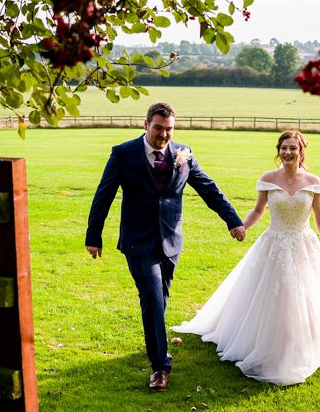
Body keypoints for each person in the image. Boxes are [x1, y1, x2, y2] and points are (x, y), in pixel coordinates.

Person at [173, 130, 320, 386]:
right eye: (284, 148)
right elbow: (258, 210)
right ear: (278, 150)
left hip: (304, 245)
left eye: (293, 148)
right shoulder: (268, 179)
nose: (288, 152)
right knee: (273, 293)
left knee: (304, 294)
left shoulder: (313, 182)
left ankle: (302, 342)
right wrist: (242, 227)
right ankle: (267, 341)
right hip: (274, 243)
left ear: (301, 150)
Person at [86, 102, 246, 392]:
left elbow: (209, 188)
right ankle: (160, 367)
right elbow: (103, 194)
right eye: (158, 128)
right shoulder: (123, 154)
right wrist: (93, 235)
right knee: (151, 296)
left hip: (171, 240)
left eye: (169, 129)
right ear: (145, 124)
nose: (163, 135)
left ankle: (155, 343)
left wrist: (233, 221)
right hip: (138, 240)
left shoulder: (183, 154)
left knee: (160, 297)